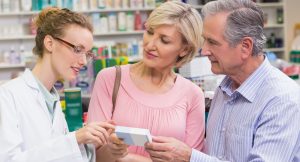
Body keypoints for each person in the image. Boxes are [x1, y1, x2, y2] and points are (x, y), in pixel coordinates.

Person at [145, 0, 300, 161]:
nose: (204, 50)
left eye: (212, 42)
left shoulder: (281, 99)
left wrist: (190, 157)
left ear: (245, 47)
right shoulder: (224, 89)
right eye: (204, 40)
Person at [87, 1, 205, 162]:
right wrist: (111, 150)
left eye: (164, 40)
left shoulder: (193, 94)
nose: (150, 45)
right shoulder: (110, 78)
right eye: (149, 32)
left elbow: (192, 158)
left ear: (184, 49)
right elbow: (94, 154)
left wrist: (128, 159)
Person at [0, 7, 115, 162]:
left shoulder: (53, 100)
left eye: (87, 54)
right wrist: (75, 139)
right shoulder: (7, 96)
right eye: (77, 49)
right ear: (49, 43)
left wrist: (94, 144)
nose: (83, 61)